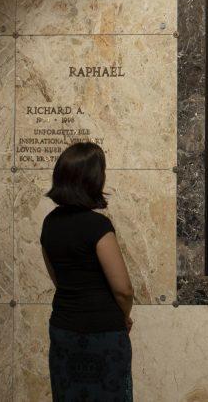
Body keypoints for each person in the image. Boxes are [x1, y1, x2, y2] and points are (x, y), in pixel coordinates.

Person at [40, 142, 134, 401]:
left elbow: (58, 278)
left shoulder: (50, 223)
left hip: (64, 328)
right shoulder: (98, 226)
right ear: (94, 179)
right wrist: (124, 317)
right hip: (104, 333)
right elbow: (123, 289)